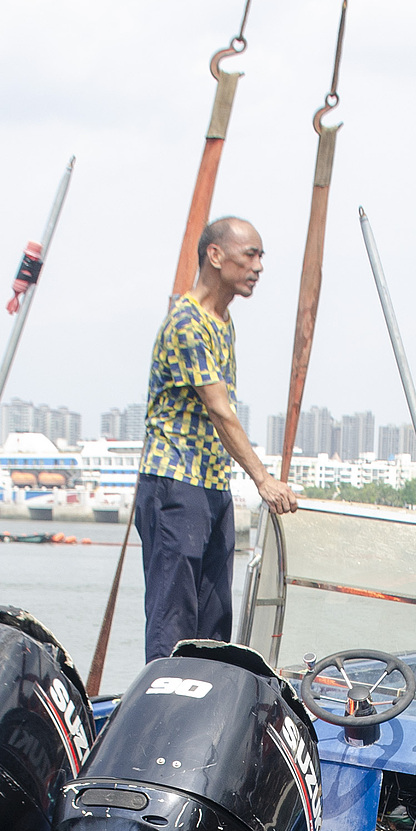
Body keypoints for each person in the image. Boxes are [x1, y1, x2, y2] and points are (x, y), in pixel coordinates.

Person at [134, 215, 300, 663]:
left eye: (261, 256)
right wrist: (264, 480)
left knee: (214, 621)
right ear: (215, 255)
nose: (259, 266)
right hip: (175, 484)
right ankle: (162, 717)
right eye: (251, 254)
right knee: (174, 620)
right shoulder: (187, 323)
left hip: (211, 486)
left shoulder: (221, 321)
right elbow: (219, 408)